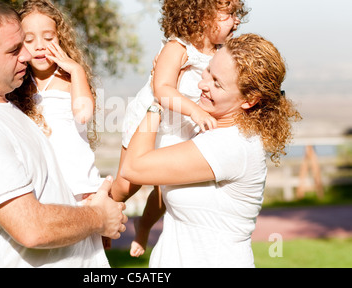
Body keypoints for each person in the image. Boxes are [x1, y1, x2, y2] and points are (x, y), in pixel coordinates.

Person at [0, 0, 127, 268]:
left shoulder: (10, 110)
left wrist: (89, 230)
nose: (27, 54)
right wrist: (98, 217)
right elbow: (31, 228)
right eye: (15, 50)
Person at [120, 33, 301, 267]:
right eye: (208, 71)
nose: (202, 84)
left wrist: (158, 100)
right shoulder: (208, 128)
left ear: (249, 100)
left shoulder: (231, 144)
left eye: (217, 83)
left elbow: (133, 167)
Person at [111, 0, 248, 257]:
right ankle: (103, 214)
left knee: (165, 192)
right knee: (127, 184)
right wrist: (196, 110)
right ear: (202, 16)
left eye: (237, 14)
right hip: (154, 119)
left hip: (183, 126)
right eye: (229, 14)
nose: (236, 21)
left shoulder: (221, 54)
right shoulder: (178, 48)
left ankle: (144, 227)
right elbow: (161, 88)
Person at [7, 0, 102, 204]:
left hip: (77, 187)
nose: (39, 46)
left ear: (61, 39)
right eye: (29, 40)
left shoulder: (69, 80)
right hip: (40, 190)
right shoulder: (17, 87)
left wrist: (76, 70)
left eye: (48, 38)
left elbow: (84, 114)